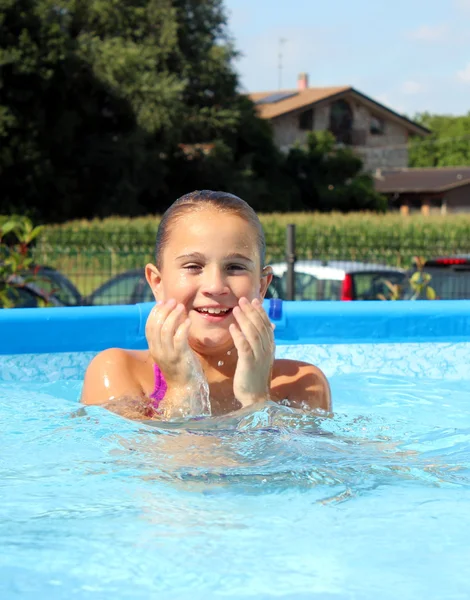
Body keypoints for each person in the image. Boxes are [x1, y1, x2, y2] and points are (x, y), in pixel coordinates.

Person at [80, 190, 331, 420]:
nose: (215, 286)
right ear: (157, 282)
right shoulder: (119, 372)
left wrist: (256, 401)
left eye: (235, 267)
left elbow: (281, 467)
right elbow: (151, 467)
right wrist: (183, 391)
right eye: (193, 266)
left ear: (262, 286)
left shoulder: (301, 384)